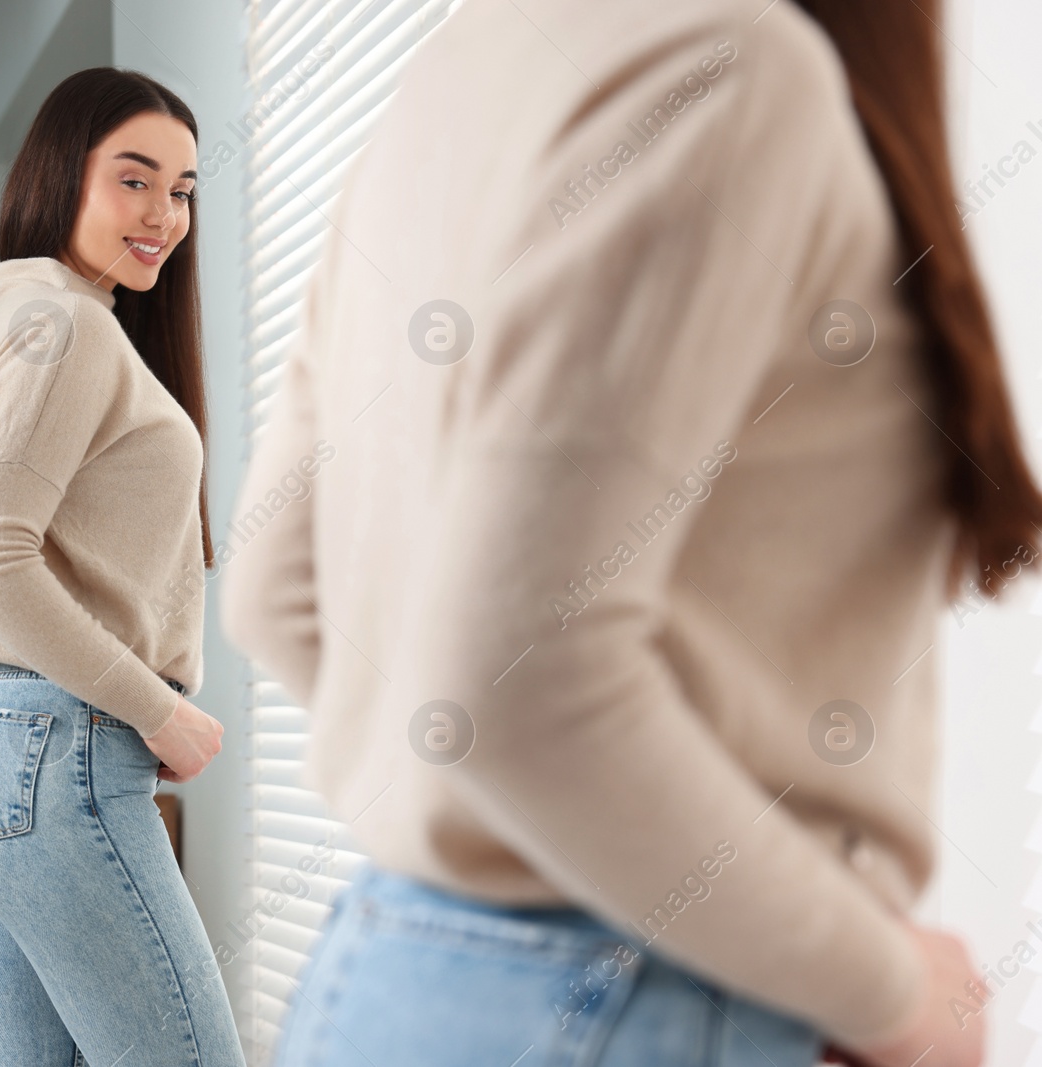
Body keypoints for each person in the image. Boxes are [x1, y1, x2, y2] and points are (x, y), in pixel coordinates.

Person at [219, 1, 1042, 1065]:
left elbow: (274, 592)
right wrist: (891, 992)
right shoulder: (735, 64)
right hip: (652, 1002)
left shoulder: (455, 72)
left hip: (388, 977)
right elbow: (516, 682)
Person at [0, 67, 245, 1067]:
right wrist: (156, 706)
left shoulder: (25, 319)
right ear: (64, 173)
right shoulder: (66, 325)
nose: (163, 214)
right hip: (57, 752)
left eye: (182, 190)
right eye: (133, 179)